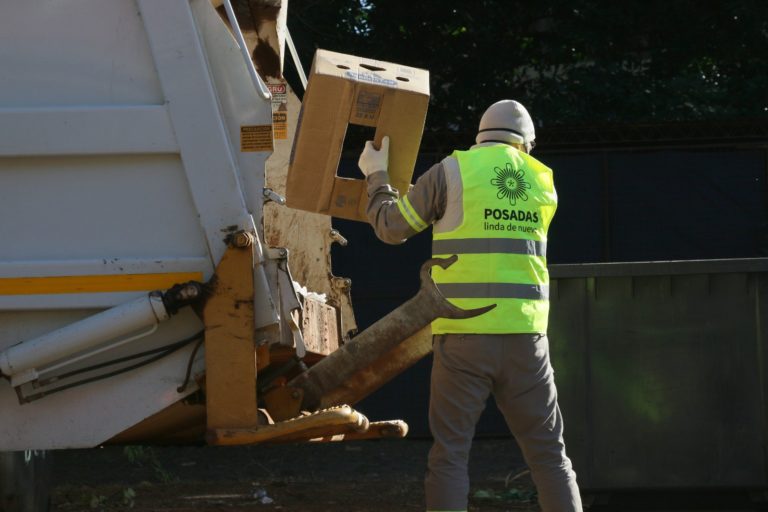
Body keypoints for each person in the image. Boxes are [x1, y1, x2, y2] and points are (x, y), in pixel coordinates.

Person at [357, 100, 582, 512]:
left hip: (463, 340)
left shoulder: (451, 171)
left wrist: (377, 176)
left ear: (480, 135)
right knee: (550, 456)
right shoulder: (544, 181)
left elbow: (391, 227)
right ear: (526, 144)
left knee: (450, 455)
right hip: (525, 341)